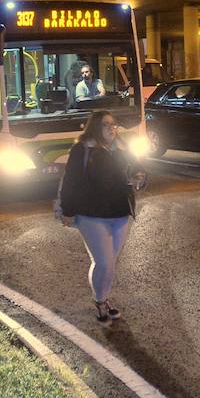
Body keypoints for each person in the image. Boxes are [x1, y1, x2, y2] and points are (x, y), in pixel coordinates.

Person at [56, 110, 145, 323]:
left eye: (114, 124)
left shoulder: (122, 148)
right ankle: (100, 301)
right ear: (95, 127)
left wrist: (140, 178)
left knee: (110, 262)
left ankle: (104, 297)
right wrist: (68, 211)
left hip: (120, 212)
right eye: (106, 125)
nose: (112, 128)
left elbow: (139, 170)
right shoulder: (82, 150)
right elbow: (70, 182)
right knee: (103, 262)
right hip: (92, 214)